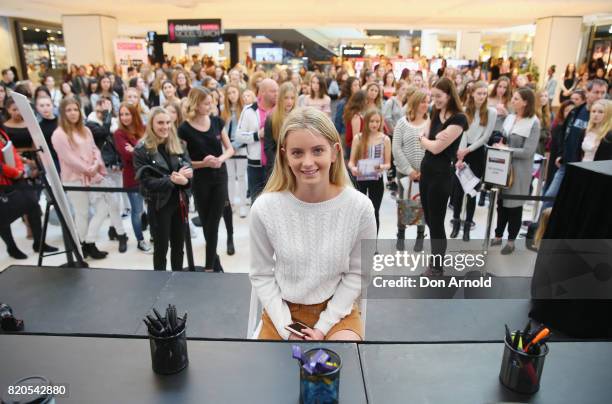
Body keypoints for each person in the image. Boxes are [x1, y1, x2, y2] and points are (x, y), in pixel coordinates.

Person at [250, 106, 376, 341]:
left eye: (317, 150)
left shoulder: (359, 208)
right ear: (285, 155)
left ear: (334, 152)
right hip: (282, 311)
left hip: (338, 311)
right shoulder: (265, 208)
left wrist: (323, 326)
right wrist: (287, 328)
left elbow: (359, 274)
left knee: (338, 365)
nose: (308, 162)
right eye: (297, 153)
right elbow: (261, 274)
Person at [52, 97, 126, 258]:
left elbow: (95, 149)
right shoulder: (59, 134)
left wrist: (95, 165)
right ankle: (82, 247)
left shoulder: (85, 130)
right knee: (82, 213)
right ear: (63, 113)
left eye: (75, 109)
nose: (72, 113)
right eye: (68, 110)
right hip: (74, 179)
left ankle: (88, 242)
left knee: (103, 208)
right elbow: (69, 158)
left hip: (93, 176)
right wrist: (88, 169)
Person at [179, 87, 234, 272]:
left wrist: (220, 159)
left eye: (211, 102)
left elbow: (230, 149)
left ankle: (210, 267)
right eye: (206, 103)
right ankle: (215, 260)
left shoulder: (217, 122)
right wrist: (203, 163)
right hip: (200, 179)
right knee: (206, 221)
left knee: (213, 223)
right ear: (196, 104)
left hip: (220, 176)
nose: (210, 106)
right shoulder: (184, 129)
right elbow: (184, 161)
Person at [418, 78, 468, 275]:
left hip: (441, 175)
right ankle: (435, 261)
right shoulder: (435, 111)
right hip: (427, 171)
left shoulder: (459, 119)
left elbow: (437, 147)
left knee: (437, 222)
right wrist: (428, 138)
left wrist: (425, 140)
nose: (435, 100)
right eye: (433, 96)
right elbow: (427, 134)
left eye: (439, 96)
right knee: (430, 220)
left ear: (449, 95)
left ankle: (437, 267)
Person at [133, 107, 193, 271]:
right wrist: (174, 180)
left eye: (168, 122)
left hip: (180, 203)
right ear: (151, 124)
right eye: (160, 122)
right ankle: (159, 284)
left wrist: (184, 181)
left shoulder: (179, 144)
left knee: (178, 247)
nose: (165, 126)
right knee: (161, 249)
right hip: (159, 205)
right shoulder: (141, 149)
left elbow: (188, 171)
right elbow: (146, 182)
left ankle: (178, 279)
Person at [542, 79, 608, 210]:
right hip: (566, 165)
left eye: (603, 93)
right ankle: (540, 228)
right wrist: (561, 154)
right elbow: (563, 134)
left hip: (586, 170)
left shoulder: (606, 118)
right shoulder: (575, 112)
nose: (599, 96)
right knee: (549, 198)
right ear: (587, 93)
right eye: (596, 92)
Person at [490, 88, 540, 255]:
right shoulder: (511, 118)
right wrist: (499, 143)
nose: (513, 100)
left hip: (520, 171)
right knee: (501, 205)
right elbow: (503, 137)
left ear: (526, 102)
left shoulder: (534, 122)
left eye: (516, 99)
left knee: (514, 207)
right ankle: (498, 235)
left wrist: (506, 149)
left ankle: (511, 240)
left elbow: (527, 152)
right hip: (503, 168)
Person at [452, 81, 497, 241]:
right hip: (462, 151)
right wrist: (461, 155)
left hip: (477, 153)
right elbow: (463, 133)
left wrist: (468, 150)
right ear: (472, 93)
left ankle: (467, 226)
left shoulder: (491, 112)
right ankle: (456, 221)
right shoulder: (464, 111)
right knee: (457, 191)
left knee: (471, 192)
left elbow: (486, 137)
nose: (482, 96)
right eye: (479, 93)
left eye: (485, 94)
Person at [392, 89, 429, 251]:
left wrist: (424, 171)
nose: (426, 105)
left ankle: (420, 235)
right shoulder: (402, 122)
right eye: (423, 101)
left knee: (422, 204)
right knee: (404, 204)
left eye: (428, 102)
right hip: (404, 173)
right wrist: (409, 170)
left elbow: (434, 147)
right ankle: (401, 235)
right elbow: (396, 148)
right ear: (414, 103)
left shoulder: (431, 122)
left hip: (425, 174)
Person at [114, 102, 151, 252]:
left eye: (127, 114)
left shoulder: (143, 128)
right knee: (137, 211)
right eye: (121, 114)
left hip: (148, 175)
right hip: (132, 177)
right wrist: (141, 150)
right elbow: (126, 155)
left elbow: (151, 150)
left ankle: (154, 236)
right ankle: (140, 240)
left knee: (152, 209)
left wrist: (135, 150)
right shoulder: (118, 133)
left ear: (133, 114)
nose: (124, 117)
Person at [348, 108, 391, 233]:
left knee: (374, 211)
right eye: (372, 121)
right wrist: (353, 168)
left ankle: (373, 244)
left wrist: (381, 167)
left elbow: (388, 163)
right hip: (360, 178)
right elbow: (351, 162)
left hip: (376, 179)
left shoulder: (385, 139)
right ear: (366, 122)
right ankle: (357, 241)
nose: (374, 124)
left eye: (377, 121)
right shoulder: (358, 138)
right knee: (359, 212)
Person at [236, 78, 278, 203]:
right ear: (263, 92)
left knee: (274, 203)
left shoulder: (280, 110)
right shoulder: (249, 110)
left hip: (276, 165)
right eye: (273, 91)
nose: (277, 94)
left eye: (277, 91)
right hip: (255, 165)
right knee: (256, 203)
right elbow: (239, 135)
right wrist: (257, 135)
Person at [221, 84, 248, 219]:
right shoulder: (223, 110)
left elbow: (245, 130)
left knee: (241, 177)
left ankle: (242, 204)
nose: (232, 95)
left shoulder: (244, 110)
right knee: (230, 177)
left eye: (234, 92)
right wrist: (228, 147)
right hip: (226, 147)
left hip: (241, 146)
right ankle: (230, 204)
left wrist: (235, 145)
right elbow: (221, 130)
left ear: (239, 93)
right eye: (229, 93)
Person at [264, 82, 297, 178]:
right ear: (280, 98)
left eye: (292, 98)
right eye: (286, 98)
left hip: (295, 165)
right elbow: (268, 147)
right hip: (277, 167)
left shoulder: (299, 117)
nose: (289, 101)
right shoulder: (271, 118)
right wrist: (279, 165)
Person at [545, 100, 574, 192]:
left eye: (571, 111)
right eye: (566, 110)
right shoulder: (558, 127)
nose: (569, 113)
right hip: (555, 161)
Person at [343, 90, 367, 159]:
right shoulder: (356, 116)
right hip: (353, 148)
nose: (366, 102)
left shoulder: (353, 113)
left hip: (351, 147)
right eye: (365, 100)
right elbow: (356, 137)